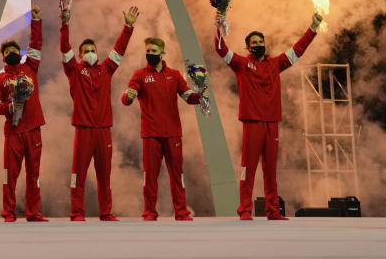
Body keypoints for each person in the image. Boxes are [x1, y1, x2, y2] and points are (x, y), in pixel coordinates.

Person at [214, 11, 322, 220]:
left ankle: (273, 211)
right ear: (248, 47)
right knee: (249, 169)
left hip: (272, 124)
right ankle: (245, 210)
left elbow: (298, 50)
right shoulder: (241, 64)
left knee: (271, 171)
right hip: (252, 124)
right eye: (254, 42)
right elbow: (221, 49)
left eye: (261, 41)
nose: (258, 44)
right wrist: (218, 26)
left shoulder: (275, 64)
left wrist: (313, 28)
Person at [60, 5, 138, 221]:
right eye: (86, 51)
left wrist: (128, 27)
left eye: (93, 50)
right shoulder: (74, 70)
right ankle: (77, 212)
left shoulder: (106, 69)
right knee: (79, 175)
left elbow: (119, 50)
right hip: (84, 130)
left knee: (105, 175)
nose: (91, 54)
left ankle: (106, 212)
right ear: (79, 55)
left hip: (104, 130)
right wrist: (64, 24)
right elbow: (64, 48)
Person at [122, 37, 204, 221]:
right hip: (151, 134)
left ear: (162, 53)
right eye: (148, 51)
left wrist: (202, 93)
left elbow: (188, 97)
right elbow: (128, 95)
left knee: (177, 175)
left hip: (173, 133)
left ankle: (181, 212)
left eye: (153, 51)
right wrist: (129, 96)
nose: (149, 54)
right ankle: (149, 212)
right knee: (150, 177)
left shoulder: (174, 75)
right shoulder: (140, 75)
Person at [0, 3, 48, 223]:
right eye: (7, 52)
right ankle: (9, 213)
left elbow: (37, 43)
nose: (12, 53)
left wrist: (36, 20)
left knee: (34, 175)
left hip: (33, 130)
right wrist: (10, 107)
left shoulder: (30, 66)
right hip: (13, 132)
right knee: (10, 176)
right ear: (3, 57)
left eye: (15, 51)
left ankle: (33, 213)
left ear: (20, 53)